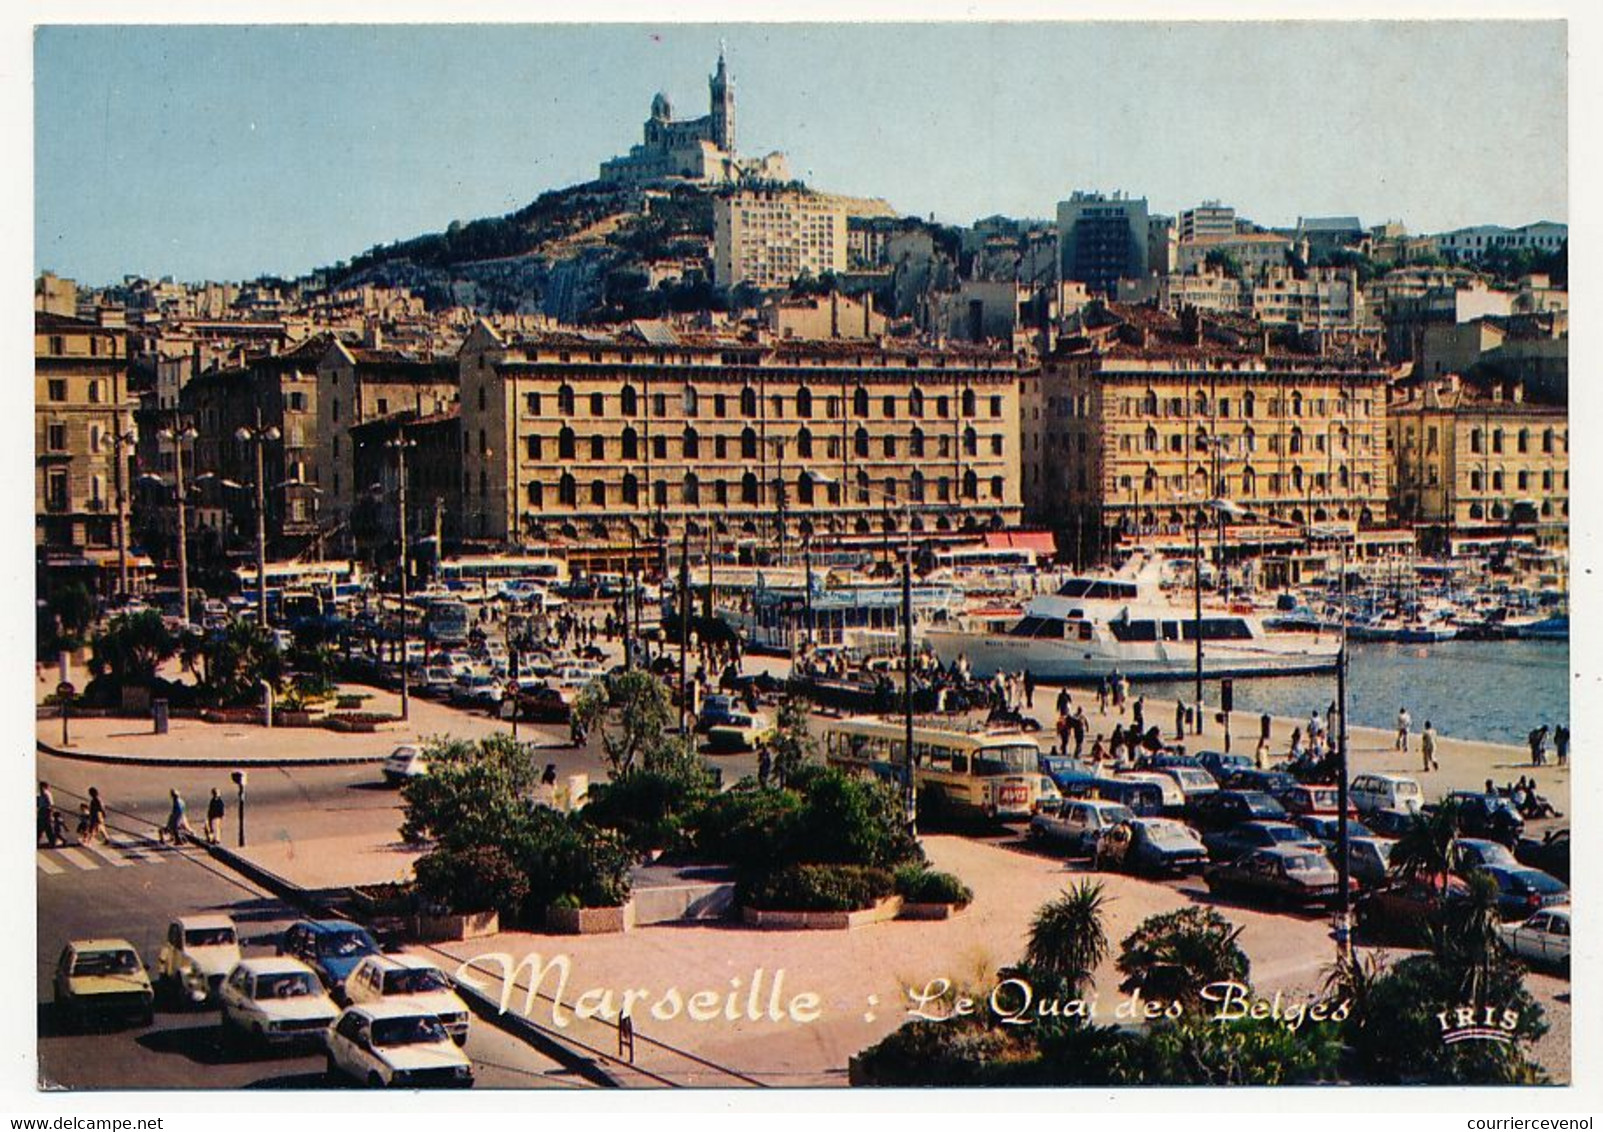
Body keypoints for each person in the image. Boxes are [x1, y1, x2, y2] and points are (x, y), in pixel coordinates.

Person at [37, 782, 59, 848]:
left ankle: (52, 843)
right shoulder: (41, 794)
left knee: (47, 828)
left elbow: (51, 804)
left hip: (46, 811)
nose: (40, 788)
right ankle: (37, 842)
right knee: (39, 828)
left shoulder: (47, 794)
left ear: (44, 787)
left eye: (41, 787)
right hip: (42, 811)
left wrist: (51, 814)